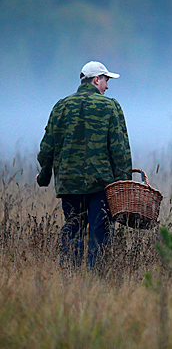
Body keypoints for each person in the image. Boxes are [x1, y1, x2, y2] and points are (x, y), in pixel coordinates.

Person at [37, 61, 132, 270]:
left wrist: (44, 178)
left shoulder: (61, 106)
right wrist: (124, 185)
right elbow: (120, 150)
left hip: (69, 185)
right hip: (101, 187)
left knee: (73, 231)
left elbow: (46, 149)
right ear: (96, 79)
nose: (107, 87)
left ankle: (70, 280)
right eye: (106, 80)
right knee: (100, 234)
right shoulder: (110, 107)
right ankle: (96, 283)